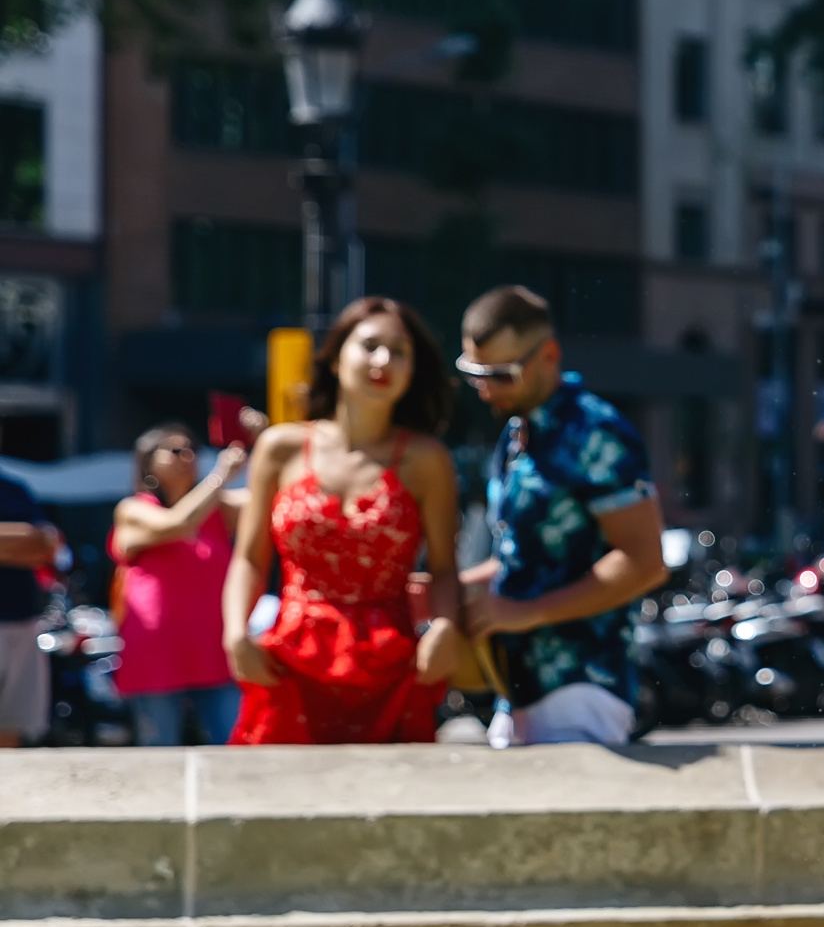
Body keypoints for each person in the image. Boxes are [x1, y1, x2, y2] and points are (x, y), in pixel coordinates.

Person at [223, 298, 465, 744]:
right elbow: (249, 559)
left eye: (399, 351)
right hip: (289, 665)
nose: (383, 360)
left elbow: (445, 568)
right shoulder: (280, 448)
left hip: (392, 671)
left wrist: (446, 626)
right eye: (370, 345)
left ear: (413, 371)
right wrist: (236, 633)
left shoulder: (427, 460)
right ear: (336, 359)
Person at [456, 286, 667, 746]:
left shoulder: (596, 433)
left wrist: (523, 613)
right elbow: (528, 561)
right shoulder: (517, 433)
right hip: (517, 691)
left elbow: (645, 561)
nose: (486, 388)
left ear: (548, 355)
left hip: (582, 686)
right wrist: (451, 593)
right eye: (475, 373)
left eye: (500, 374)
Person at [112, 425, 249, 746]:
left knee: (237, 750)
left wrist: (259, 442)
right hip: (156, 653)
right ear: (148, 463)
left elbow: (273, 498)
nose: (187, 457)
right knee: (159, 755)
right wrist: (220, 475)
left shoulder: (219, 508)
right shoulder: (133, 509)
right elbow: (179, 523)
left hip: (215, 649)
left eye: (191, 449)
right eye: (175, 450)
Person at [0, 466, 60, 749]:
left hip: (22, 621)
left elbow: (46, 546)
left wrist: (28, 542)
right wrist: (21, 543)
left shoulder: (15, 489)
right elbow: (32, 542)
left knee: (13, 725)